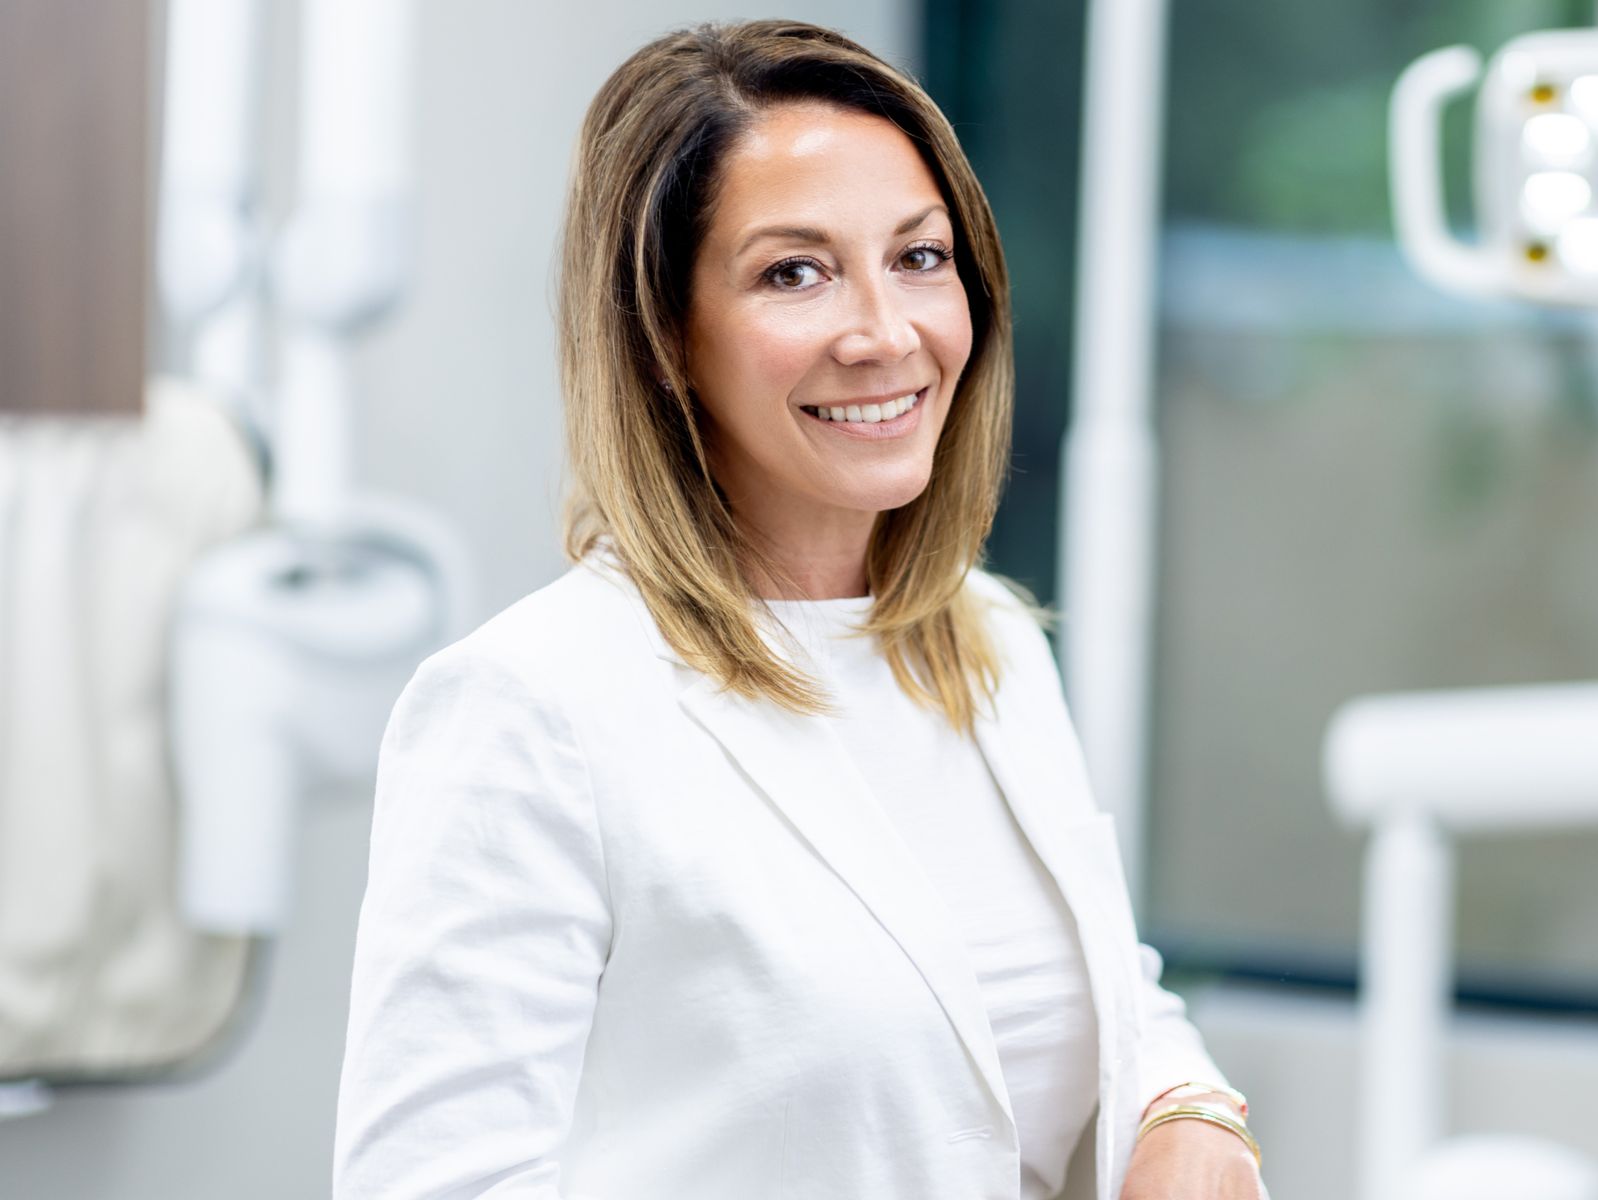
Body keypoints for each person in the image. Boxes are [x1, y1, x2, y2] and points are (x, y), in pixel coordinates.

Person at [331, 19, 1265, 1200]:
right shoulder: (532, 706)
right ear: (667, 336)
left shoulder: (987, 642)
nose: (885, 333)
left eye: (920, 257)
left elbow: (1087, 986)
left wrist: (1186, 1107)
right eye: (794, 272)